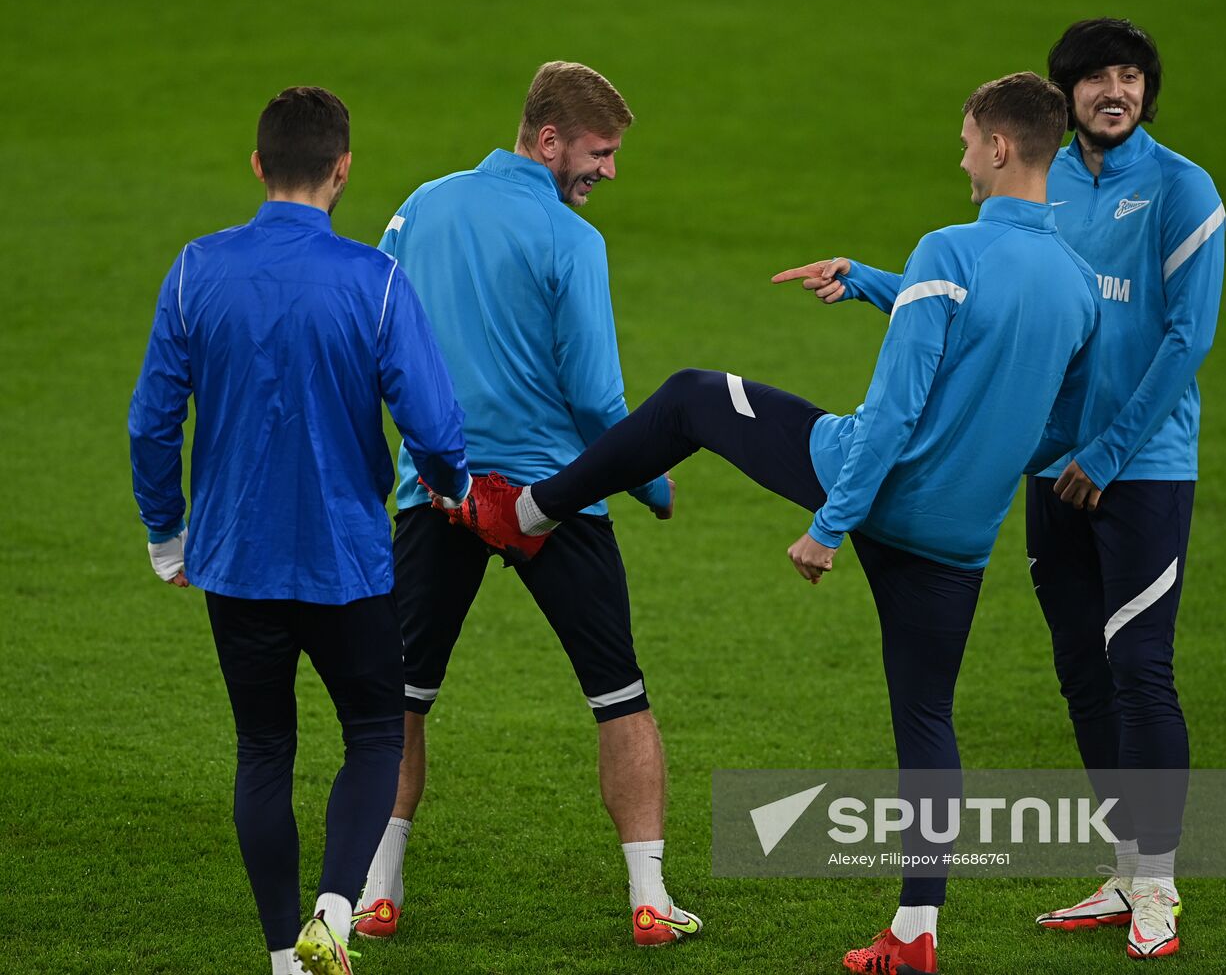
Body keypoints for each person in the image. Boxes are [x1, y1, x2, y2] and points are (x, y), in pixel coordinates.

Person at [439, 72, 1099, 975]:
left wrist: (832, 525)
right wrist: (872, 284)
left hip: (866, 482)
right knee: (927, 722)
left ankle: (525, 509)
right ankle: (917, 933)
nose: (959, 155)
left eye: (964, 139)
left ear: (997, 147)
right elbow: (1058, 421)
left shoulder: (953, 249)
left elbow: (899, 411)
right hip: (959, 536)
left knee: (692, 400)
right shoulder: (1074, 282)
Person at [353, 61, 698, 947]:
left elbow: (376, 336)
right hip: (557, 501)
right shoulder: (574, 241)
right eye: (599, 152)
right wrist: (652, 479)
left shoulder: (420, 205)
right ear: (549, 141)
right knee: (620, 697)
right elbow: (596, 397)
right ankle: (649, 898)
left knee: (401, 698)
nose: (608, 172)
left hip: (435, 492)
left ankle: (377, 890)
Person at [128, 86, 471, 975]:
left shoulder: (196, 269)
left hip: (234, 561)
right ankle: (334, 908)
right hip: (347, 564)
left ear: (257, 165)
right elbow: (433, 428)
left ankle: (285, 956)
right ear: (343, 169)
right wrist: (446, 485)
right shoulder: (375, 280)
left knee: (264, 748)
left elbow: (149, 423)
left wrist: (167, 535)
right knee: (373, 733)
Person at [1027, 19, 1226, 961]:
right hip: (1050, 469)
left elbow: (1189, 339)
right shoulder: (1046, 184)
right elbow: (995, 298)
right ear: (1066, 93)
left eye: (1133, 77)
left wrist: (1105, 454)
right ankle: (1122, 867)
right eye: (1100, 77)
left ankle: (1158, 884)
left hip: (1140, 471)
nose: (1118, 90)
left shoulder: (1184, 188)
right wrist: (871, 283)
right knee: (1081, 670)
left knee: (1140, 666)